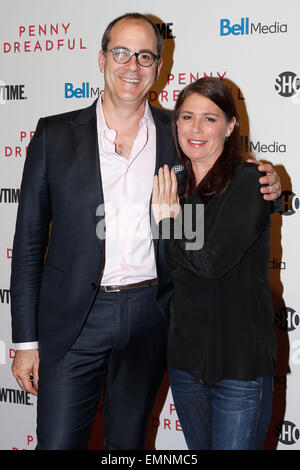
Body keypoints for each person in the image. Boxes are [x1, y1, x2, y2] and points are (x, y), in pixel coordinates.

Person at [10, 13, 281, 450]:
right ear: (101, 58)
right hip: (74, 321)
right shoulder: (54, 134)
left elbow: (222, 171)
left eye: (144, 56)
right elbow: (26, 246)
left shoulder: (178, 132)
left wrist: (265, 179)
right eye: (120, 53)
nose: (131, 65)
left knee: (129, 446)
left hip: (151, 317)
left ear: (158, 67)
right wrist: (25, 341)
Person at [152, 77, 278, 450]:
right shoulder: (174, 185)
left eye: (210, 118)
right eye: (187, 117)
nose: (195, 128)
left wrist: (169, 222)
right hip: (186, 364)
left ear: (230, 126)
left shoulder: (249, 181)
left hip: (238, 367)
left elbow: (209, 263)